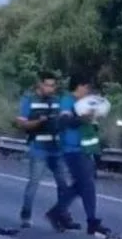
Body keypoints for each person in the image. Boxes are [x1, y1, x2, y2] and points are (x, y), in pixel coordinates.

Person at [45, 72, 111, 237]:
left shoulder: (84, 102)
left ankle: (57, 212)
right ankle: (91, 221)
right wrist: (83, 117)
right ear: (79, 86)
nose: (88, 90)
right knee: (86, 185)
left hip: (85, 149)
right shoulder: (68, 101)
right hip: (72, 149)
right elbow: (64, 122)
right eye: (86, 87)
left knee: (81, 186)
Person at [15, 70, 80, 230]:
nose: (50, 89)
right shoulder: (29, 100)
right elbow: (22, 124)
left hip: (56, 149)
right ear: (40, 84)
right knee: (34, 183)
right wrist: (38, 122)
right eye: (47, 85)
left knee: (63, 185)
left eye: (53, 85)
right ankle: (26, 215)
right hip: (38, 148)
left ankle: (62, 215)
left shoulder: (57, 101)